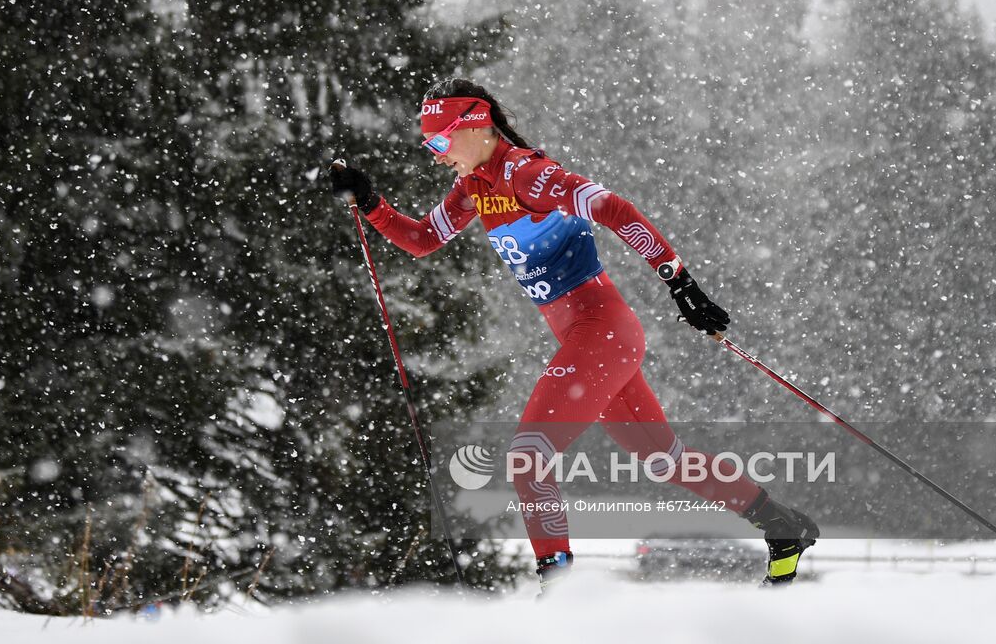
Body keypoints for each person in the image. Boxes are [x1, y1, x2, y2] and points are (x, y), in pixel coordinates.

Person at [329, 78, 818, 589]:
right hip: (595, 339)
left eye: (440, 141)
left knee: (528, 457)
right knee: (664, 460)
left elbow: (613, 208)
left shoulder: (527, 174)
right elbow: (423, 239)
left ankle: (558, 590)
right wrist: (369, 200)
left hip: (600, 330)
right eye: (429, 144)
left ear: (475, 125)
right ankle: (780, 525)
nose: (436, 155)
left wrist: (681, 284)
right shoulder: (474, 186)